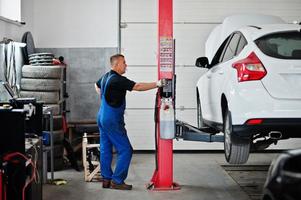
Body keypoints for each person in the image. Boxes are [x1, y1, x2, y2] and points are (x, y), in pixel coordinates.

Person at [95, 54, 166, 190]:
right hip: (111, 119)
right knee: (126, 150)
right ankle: (117, 180)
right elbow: (138, 86)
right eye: (124, 63)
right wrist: (157, 84)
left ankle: (106, 179)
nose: (126, 65)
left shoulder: (105, 77)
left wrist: (103, 96)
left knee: (105, 149)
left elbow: (96, 85)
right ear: (116, 65)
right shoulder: (117, 79)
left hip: (101, 116)